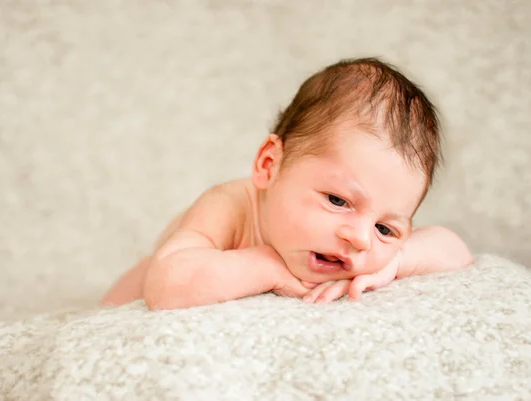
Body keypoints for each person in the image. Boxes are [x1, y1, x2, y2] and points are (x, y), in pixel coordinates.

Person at [101, 57, 473, 310]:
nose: (360, 239)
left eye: (384, 228)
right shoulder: (230, 208)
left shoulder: (368, 243)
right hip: (124, 300)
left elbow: (455, 250)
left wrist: (396, 261)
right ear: (269, 166)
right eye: (338, 200)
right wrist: (265, 265)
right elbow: (167, 284)